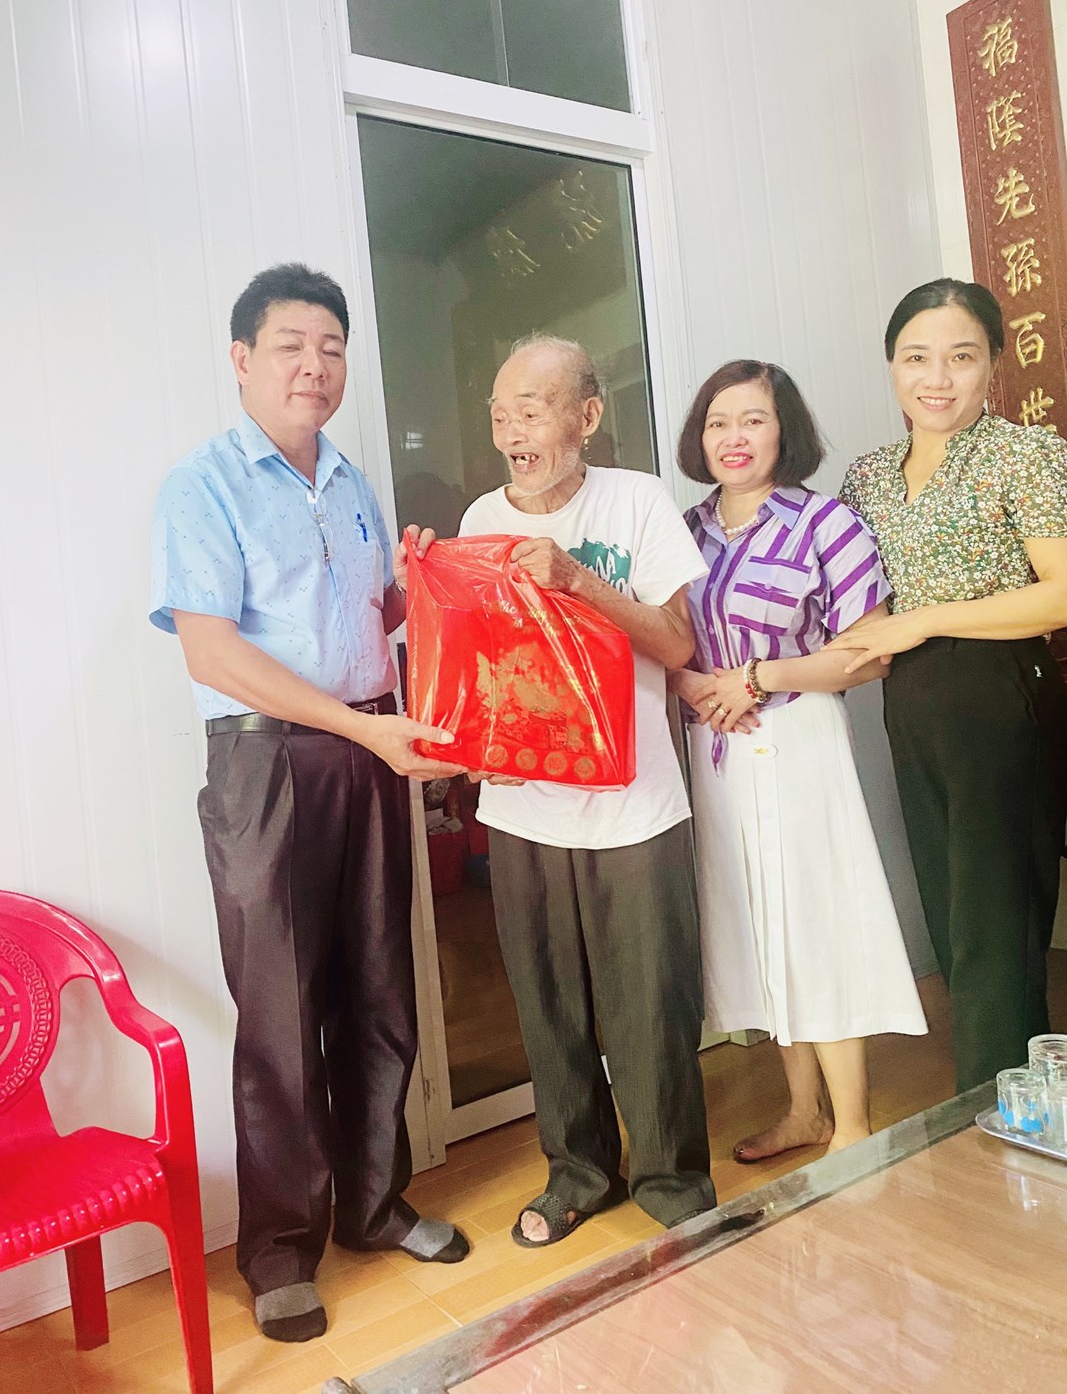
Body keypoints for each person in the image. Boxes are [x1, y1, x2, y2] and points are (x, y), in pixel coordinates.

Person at [149, 263, 467, 1344]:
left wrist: (422, 586)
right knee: (280, 1011)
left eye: (331, 347)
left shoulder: (353, 481)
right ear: (242, 360)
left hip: (371, 748)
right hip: (268, 764)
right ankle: (282, 1248)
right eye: (290, 345)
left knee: (379, 987)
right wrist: (361, 728)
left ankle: (374, 1206)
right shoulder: (200, 486)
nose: (314, 366)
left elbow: (374, 613)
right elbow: (212, 651)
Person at [457, 332, 716, 1245]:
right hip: (523, 806)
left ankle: (673, 1184)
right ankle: (577, 1173)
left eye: (531, 411)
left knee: (651, 1005)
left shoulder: (636, 501)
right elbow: (482, 660)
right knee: (550, 1005)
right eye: (500, 414)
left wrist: (575, 580)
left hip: (634, 803)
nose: (511, 432)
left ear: (586, 416)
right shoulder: (481, 517)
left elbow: (677, 643)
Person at [671, 360, 927, 1161]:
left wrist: (758, 677)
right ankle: (803, 1112)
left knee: (819, 921)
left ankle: (852, 1125)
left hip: (800, 740)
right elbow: (664, 641)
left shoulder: (827, 524)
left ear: (785, 431)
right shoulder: (684, 530)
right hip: (717, 751)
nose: (734, 437)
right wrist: (695, 685)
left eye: (753, 419)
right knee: (759, 926)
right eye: (718, 422)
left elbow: (869, 653)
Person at [836, 279, 1067, 1092]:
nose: (937, 378)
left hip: (1000, 691)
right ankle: (997, 1096)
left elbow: (1061, 595)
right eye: (916, 358)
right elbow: (847, 599)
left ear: (994, 363)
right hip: (911, 701)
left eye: (961, 358)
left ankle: (1005, 1109)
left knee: (995, 915)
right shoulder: (868, 475)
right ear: (891, 365)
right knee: (948, 906)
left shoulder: (1025, 454)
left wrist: (923, 620)